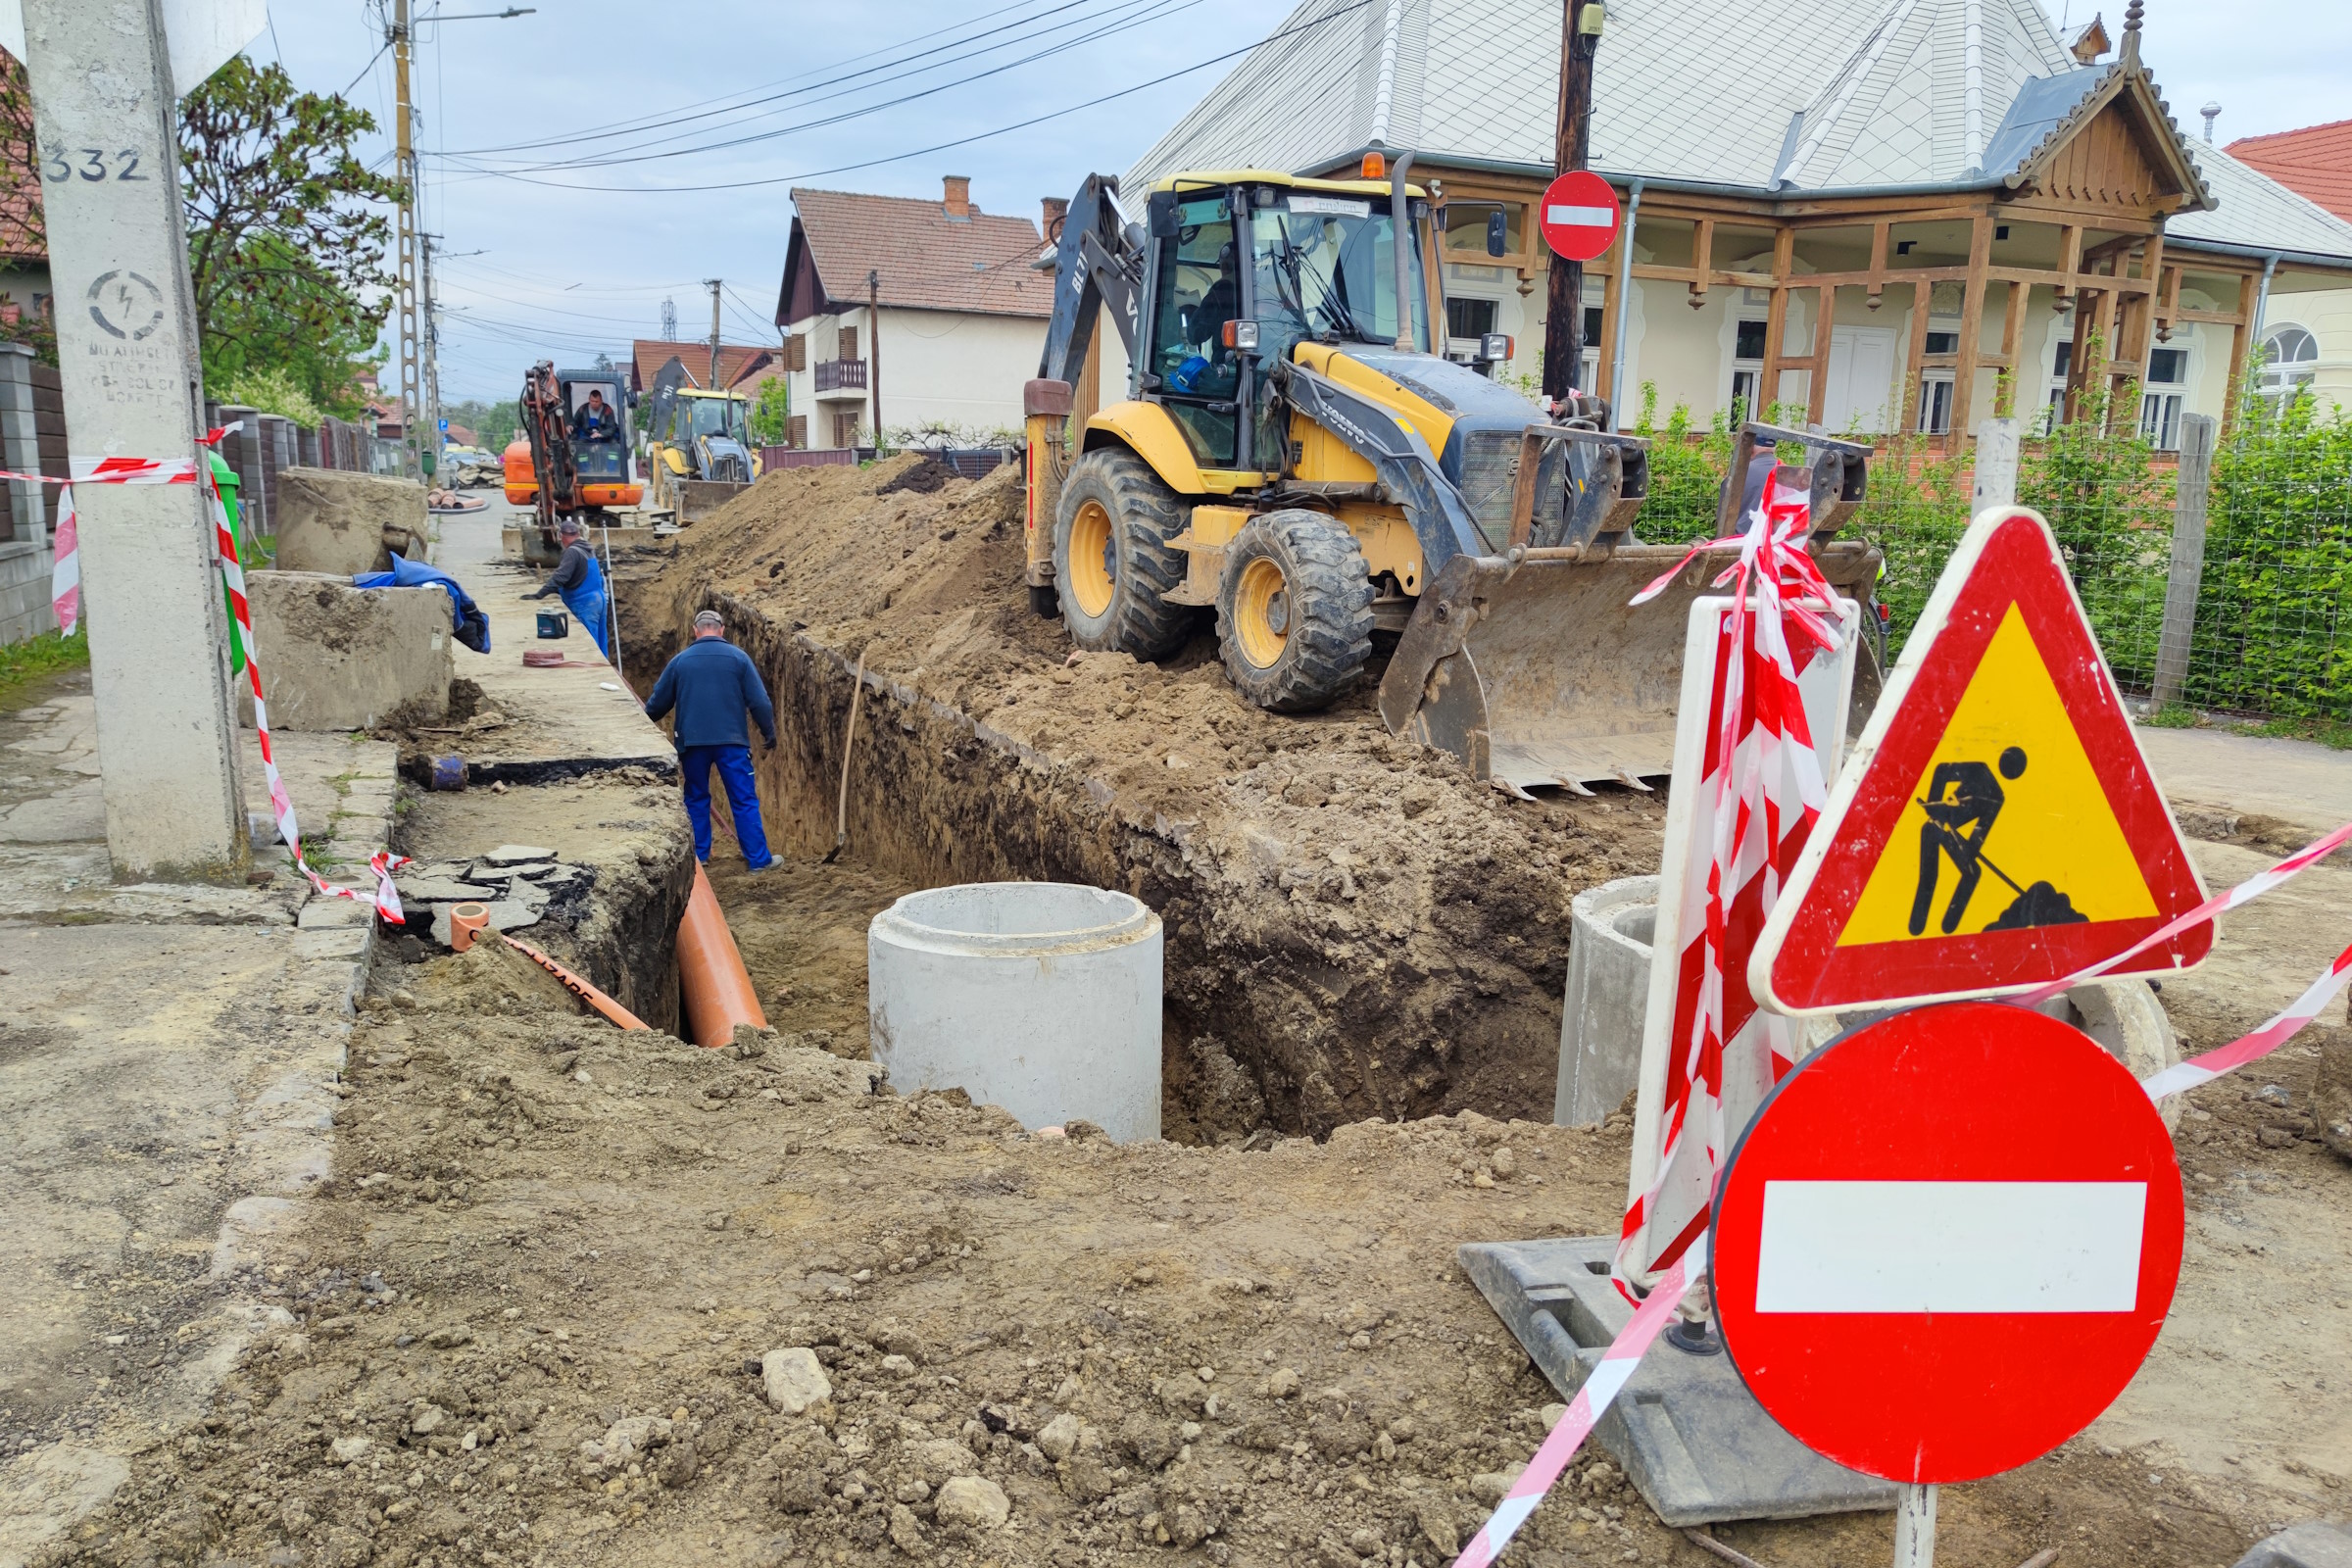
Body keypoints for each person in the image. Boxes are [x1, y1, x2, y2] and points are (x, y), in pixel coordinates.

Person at [645, 610, 776, 872]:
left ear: (696, 630)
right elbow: (759, 701)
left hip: (692, 743)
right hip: (732, 743)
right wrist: (768, 731)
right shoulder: (739, 659)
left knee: (696, 797)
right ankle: (759, 861)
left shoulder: (681, 662)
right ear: (722, 629)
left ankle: (698, 858)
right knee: (743, 799)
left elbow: (657, 704)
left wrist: (643, 725)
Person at [523, 517, 612, 659]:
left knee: (591, 646)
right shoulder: (587, 548)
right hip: (598, 600)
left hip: (585, 603)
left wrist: (540, 594)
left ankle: (593, 671)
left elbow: (560, 577)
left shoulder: (572, 552)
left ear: (562, 536)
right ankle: (605, 670)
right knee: (600, 642)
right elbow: (578, 575)